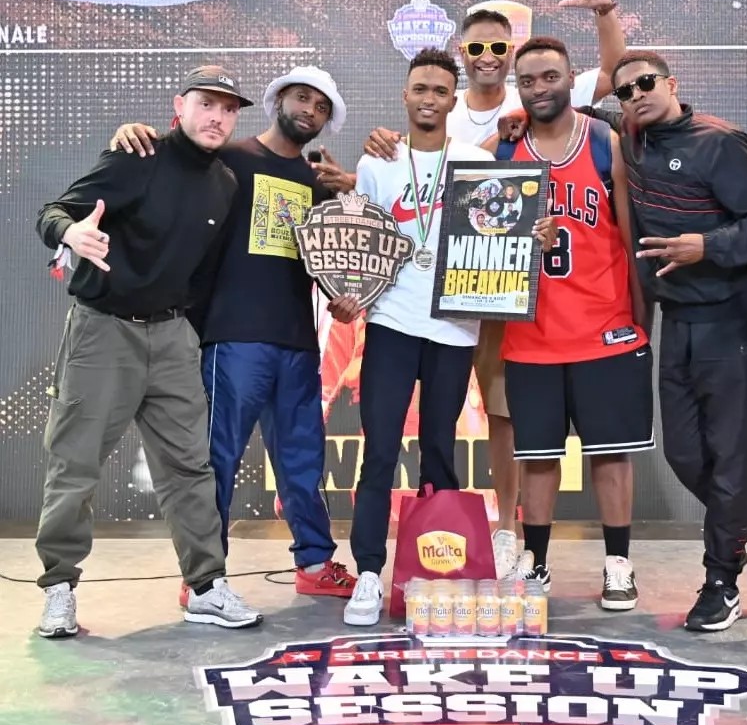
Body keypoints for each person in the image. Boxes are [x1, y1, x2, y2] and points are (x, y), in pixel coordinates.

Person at [361, 0, 626, 578]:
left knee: (504, 413)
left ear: (512, 52)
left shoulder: (529, 98)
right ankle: (422, 555)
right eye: (476, 47)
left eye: (498, 47)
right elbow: (402, 187)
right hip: (430, 300)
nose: (487, 56)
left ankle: (508, 529)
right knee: (448, 429)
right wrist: (367, 160)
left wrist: (603, 12)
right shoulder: (441, 121)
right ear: (461, 54)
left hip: (501, 290)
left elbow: (614, 74)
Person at [108, 67, 359, 602]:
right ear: (278, 100)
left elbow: (327, 260)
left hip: (297, 339)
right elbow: (170, 159)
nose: (309, 110)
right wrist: (132, 132)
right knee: (217, 458)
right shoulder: (227, 158)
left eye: (321, 106)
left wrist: (341, 296)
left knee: (303, 461)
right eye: (302, 98)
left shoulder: (320, 183)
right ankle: (204, 575)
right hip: (231, 334)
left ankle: (316, 563)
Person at [34, 65, 264, 637]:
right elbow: (53, 213)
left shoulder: (225, 183)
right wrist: (71, 235)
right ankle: (59, 587)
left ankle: (206, 587)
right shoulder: (135, 154)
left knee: (190, 468)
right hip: (103, 331)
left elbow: (203, 271)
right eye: (206, 103)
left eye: (228, 108)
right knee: (75, 463)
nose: (217, 117)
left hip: (173, 337)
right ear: (179, 107)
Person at [343, 48, 557, 626]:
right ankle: (369, 571)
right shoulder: (377, 162)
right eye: (420, 89)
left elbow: (505, 228)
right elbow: (362, 243)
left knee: (439, 448)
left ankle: (441, 572)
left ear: (452, 98)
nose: (429, 99)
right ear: (405, 94)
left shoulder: (475, 161)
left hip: (455, 327)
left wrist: (534, 235)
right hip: (390, 322)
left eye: (440, 90)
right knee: (380, 451)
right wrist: (348, 296)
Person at [589, 50, 747, 632]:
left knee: (729, 459)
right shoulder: (631, 136)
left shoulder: (721, 141)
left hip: (733, 318)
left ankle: (721, 580)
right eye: (625, 91)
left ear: (671, 84)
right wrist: (513, 118)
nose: (636, 95)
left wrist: (707, 246)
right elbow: (568, 105)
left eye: (646, 83)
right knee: (684, 454)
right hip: (678, 321)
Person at [485, 36, 654, 611]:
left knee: (611, 453)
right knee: (537, 457)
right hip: (531, 333)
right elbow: (455, 193)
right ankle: (535, 561)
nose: (539, 88)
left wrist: (640, 317)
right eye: (528, 80)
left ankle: (618, 563)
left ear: (570, 77)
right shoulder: (503, 149)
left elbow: (629, 234)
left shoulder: (604, 141)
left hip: (604, 326)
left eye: (550, 77)